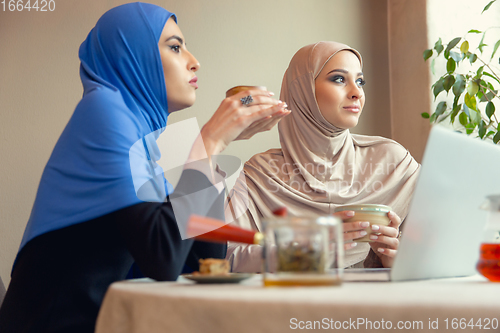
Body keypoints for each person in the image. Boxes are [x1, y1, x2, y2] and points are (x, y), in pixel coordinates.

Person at [0, 3, 289, 332]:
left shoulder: (138, 134)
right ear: (132, 55)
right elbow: (163, 258)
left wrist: (216, 151)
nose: (194, 61)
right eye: (175, 47)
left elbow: (200, 261)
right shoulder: (103, 113)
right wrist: (208, 144)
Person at [225, 41, 420, 272]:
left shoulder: (393, 162)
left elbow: (436, 254)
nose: (357, 92)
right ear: (303, 90)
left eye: (360, 81)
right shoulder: (258, 174)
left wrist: (394, 261)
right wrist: (307, 251)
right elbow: (228, 258)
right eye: (339, 79)